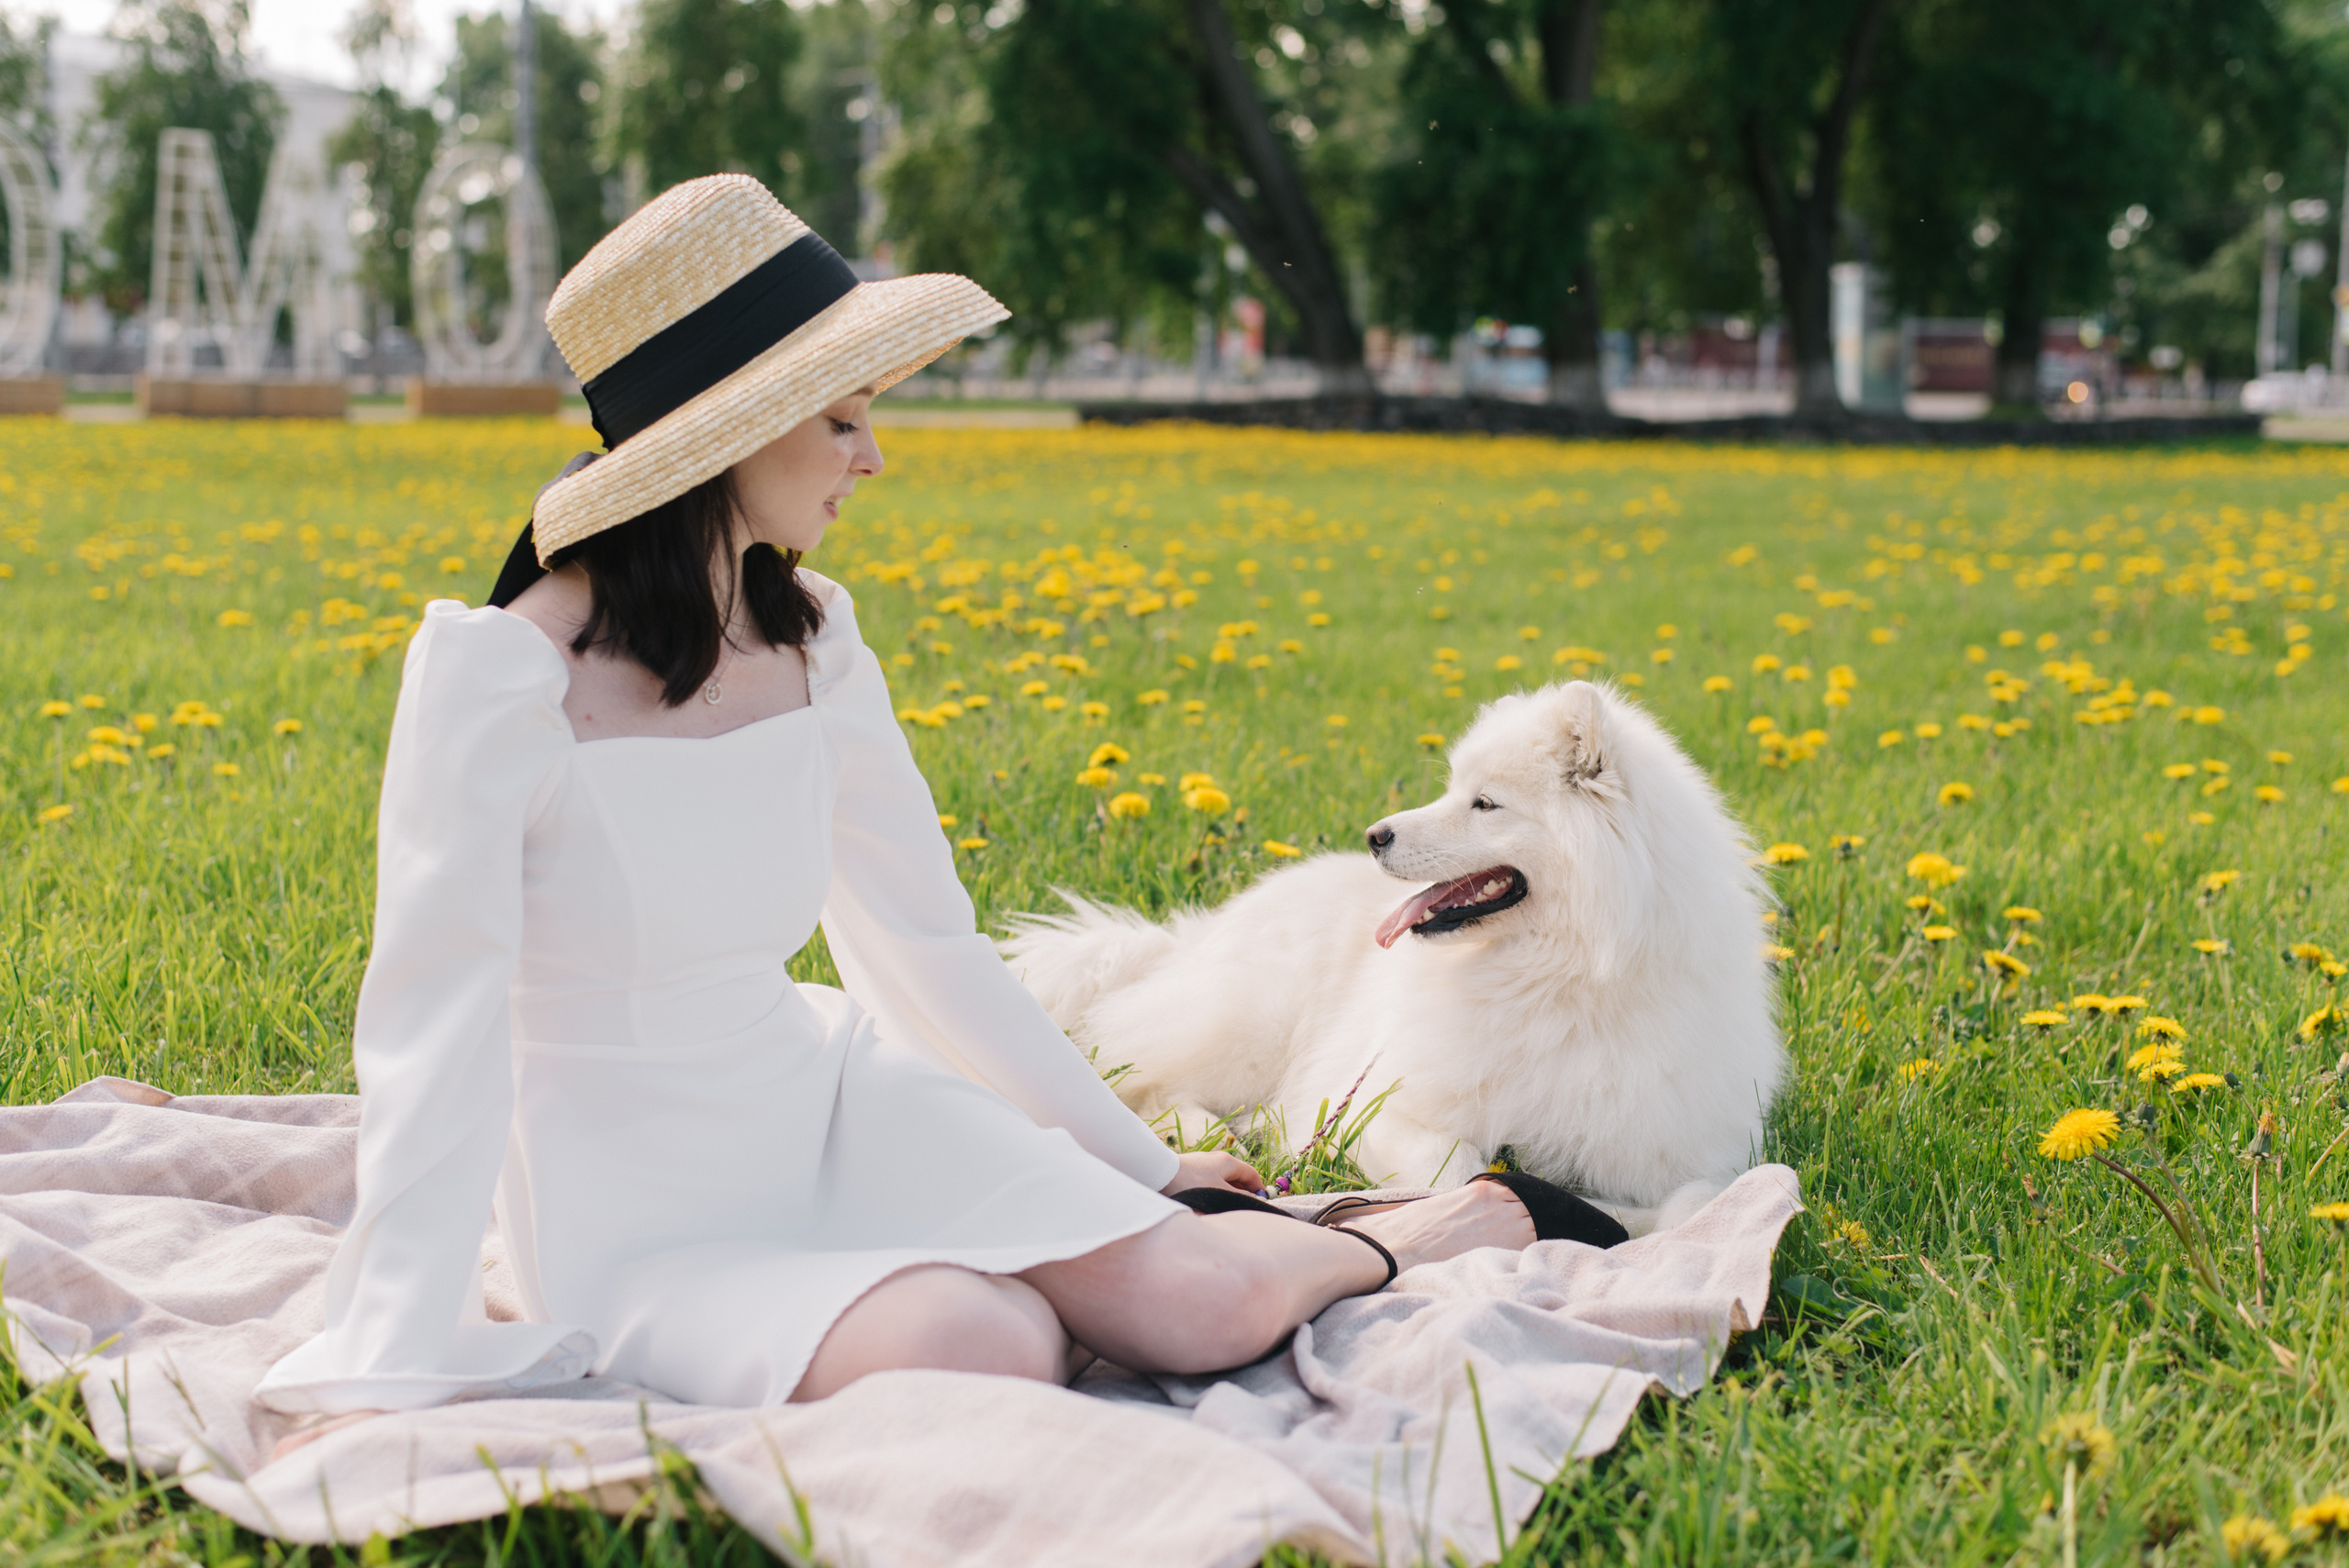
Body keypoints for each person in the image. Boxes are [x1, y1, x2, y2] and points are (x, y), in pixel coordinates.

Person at [256, 177, 1569, 1432]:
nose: (872, 457)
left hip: (828, 1101)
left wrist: (1132, 1160)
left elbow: (924, 946)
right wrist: (393, 1342)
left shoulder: (816, 635)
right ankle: (1045, 1284)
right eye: (844, 417)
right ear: (734, 425)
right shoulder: (502, 677)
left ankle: (1396, 1234)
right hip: (633, 1217)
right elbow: (434, 1024)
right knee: (982, 1343)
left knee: (1200, 1298)